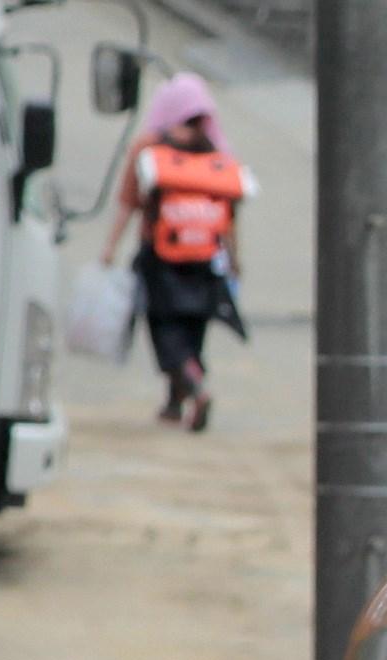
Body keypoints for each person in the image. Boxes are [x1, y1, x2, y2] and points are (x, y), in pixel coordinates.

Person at [110, 75, 247, 434]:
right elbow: (230, 214)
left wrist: (109, 247)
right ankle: (176, 401)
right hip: (205, 258)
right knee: (193, 330)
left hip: (160, 258)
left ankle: (194, 388)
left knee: (166, 330)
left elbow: (127, 203)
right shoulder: (214, 151)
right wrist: (234, 258)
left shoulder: (149, 148)